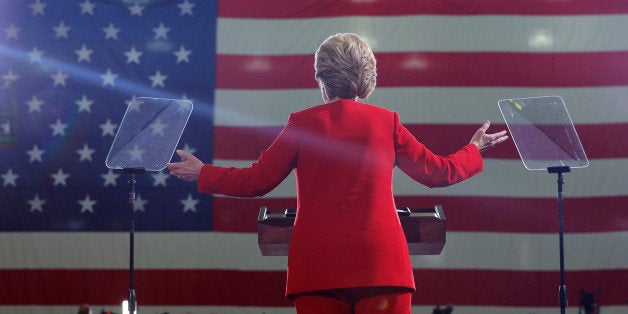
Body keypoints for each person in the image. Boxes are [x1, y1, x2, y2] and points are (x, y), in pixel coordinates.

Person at [167, 33, 508, 314]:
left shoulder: (301, 124)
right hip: (382, 265)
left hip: (317, 269)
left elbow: (256, 181)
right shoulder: (387, 122)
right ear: (367, 76)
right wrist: (474, 149)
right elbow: (438, 173)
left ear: (321, 77)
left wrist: (203, 173)